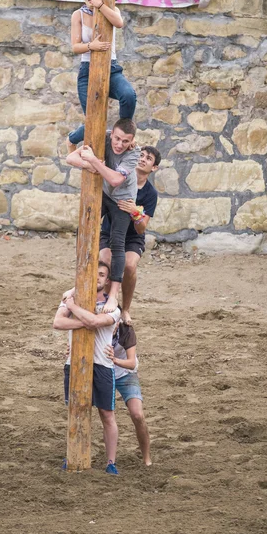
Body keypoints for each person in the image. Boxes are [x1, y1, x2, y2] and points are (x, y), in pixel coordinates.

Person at [66, 119, 141, 314]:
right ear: (112, 134)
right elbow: (70, 158)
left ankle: (114, 295)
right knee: (84, 229)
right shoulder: (103, 137)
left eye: (125, 141)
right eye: (117, 138)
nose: (119, 144)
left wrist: (93, 162)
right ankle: (80, 283)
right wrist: (91, 164)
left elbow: (115, 180)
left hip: (123, 200)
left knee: (117, 243)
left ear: (132, 141)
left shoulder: (134, 152)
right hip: (105, 193)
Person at [53, 261, 121, 475]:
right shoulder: (70, 298)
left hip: (102, 366)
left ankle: (111, 462)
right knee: (76, 411)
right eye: (94, 274)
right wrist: (86, 321)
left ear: (107, 280)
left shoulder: (113, 307)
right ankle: (73, 455)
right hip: (74, 363)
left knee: (107, 415)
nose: (97, 278)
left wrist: (74, 309)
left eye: (101, 274)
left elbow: (95, 322)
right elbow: (57, 323)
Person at [67, 0, 136, 150]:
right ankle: (72, 139)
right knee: (93, 120)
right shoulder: (78, 15)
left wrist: (100, 6)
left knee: (128, 95)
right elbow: (75, 47)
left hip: (111, 68)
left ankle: (124, 135)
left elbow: (119, 23)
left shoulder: (111, 9)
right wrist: (92, 46)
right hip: (87, 71)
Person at [99, 145, 160, 325]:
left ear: (154, 167)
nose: (142, 159)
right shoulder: (121, 177)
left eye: (148, 158)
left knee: (130, 265)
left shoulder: (150, 193)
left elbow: (142, 229)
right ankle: (107, 303)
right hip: (109, 231)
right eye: (141, 155)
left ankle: (125, 309)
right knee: (106, 262)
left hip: (132, 237)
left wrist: (135, 212)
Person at [105, 321, 152, 466]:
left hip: (125, 373)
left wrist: (114, 359)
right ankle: (109, 461)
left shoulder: (126, 330)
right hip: (103, 374)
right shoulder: (97, 329)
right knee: (106, 417)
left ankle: (147, 459)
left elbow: (132, 363)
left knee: (137, 414)